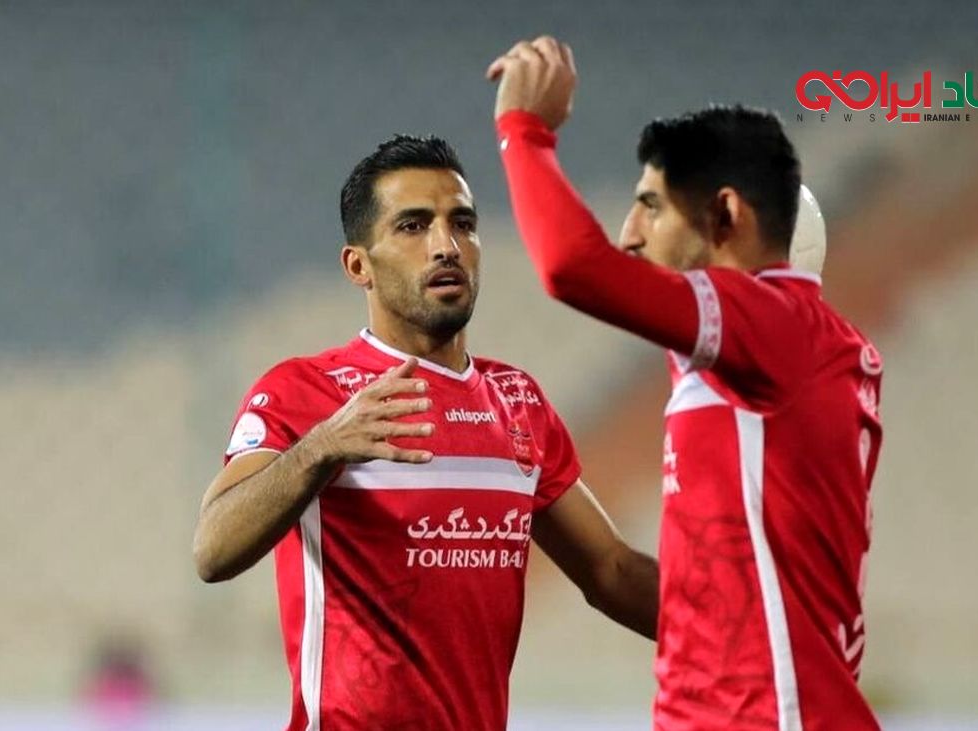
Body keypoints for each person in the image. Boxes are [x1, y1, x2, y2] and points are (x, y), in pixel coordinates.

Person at [191, 135, 658, 731]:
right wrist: (322, 448)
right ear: (358, 265)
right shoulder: (306, 392)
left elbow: (611, 570)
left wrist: (741, 634)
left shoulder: (517, 402)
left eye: (462, 224)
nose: (446, 246)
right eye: (413, 226)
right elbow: (213, 550)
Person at [488, 37, 884, 730]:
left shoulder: (773, 323)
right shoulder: (772, 356)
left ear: (726, 216)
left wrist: (523, 132)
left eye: (652, 206)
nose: (629, 234)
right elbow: (719, 598)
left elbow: (573, 267)